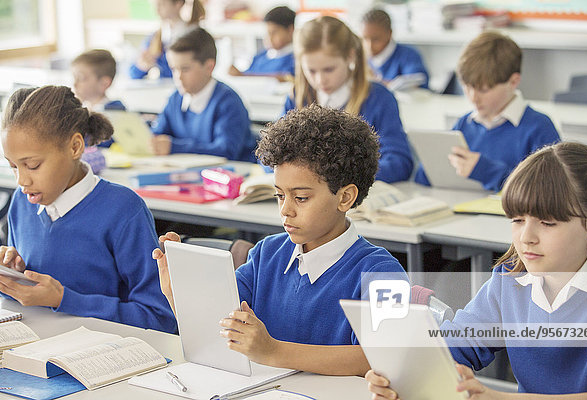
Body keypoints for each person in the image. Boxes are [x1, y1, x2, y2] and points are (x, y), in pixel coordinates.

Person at [153, 104, 408, 375]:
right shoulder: (266, 254)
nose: (285, 209)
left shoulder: (381, 272)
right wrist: (177, 295)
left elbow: (381, 358)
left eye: (301, 198)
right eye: (279, 195)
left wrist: (274, 351)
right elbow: (222, 330)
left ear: (345, 197)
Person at [367, 141, 587, 398]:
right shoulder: (510, 280)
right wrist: (401, 373)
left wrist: (497, 397)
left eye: (547, 223)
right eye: (518, 220)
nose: (526, 237)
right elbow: (456, 345)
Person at [0, 86, 177, 334]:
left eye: (32, 165)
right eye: (13, 167)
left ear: (74, 147)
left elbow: (161, 318)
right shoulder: (23, 201)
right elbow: (28, 298)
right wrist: (9, 276)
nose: (22, 181)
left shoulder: (123, 210)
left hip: (106, 355)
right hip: (35, 346)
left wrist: (64, 299)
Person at [415, 31, 560, 192]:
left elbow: (548, 192)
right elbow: (423, 179)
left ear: (513, 81)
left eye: (483, 90)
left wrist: (486, 171)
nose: (473, 98)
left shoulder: (538, 127)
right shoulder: (465, 124)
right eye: (467, 87)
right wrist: (431, 164)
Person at [284, 16, 413, 183]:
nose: (320, 80)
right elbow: (272, 152)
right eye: (312, 71)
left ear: (350, 57)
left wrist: (339, 179)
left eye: (329, 69)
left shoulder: (379, 98)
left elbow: (399, 162)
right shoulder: (298, 96)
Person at [151, 27, 256, 161]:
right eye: (173, 69)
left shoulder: (229, 102)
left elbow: (226, 151)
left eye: (185, 69)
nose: (178, 77)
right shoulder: (176, 99)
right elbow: (158, 134)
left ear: (209, 67)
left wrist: (174, 147)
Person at [129, 0, 204, 80]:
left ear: (178, 3)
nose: (157, 9)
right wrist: (142, 66)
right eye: (155, 5)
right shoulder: (156, 37)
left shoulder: (195, 36)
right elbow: (133, 74)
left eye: (161, 4)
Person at [361, 8, 429, 89]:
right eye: (365, 38)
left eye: (376, 39)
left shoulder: (408, 55)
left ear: (389, 34)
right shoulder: (361, 58)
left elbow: (416, 83)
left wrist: (377, 83)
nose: (369, 46)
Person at [229, 6, 295, 79]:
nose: (269, 38)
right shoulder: (260, 57)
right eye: (268, 33)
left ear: (290, 30)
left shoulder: (295, 59)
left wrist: (243, 76)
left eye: (274, 32)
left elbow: (286, 79)